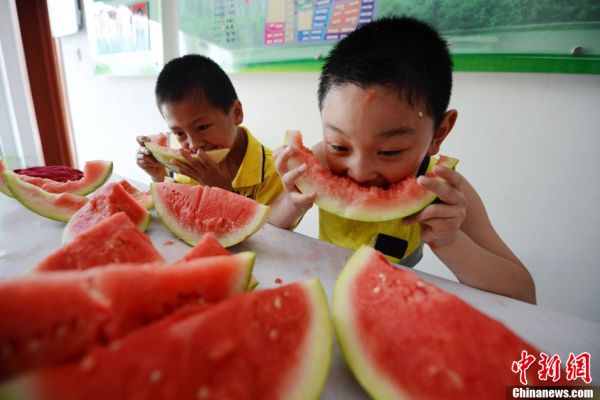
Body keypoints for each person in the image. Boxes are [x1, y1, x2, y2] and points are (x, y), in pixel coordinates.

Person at [270, 17, 536, 304]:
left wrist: (450, 241)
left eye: (389, 151)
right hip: (327, 284)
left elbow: (522, 292)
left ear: (439, 133)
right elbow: (271, 231)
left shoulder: (443, 190)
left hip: (393, 294)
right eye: (340, 145)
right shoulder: (318, 159)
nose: (359, 173)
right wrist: (290, 204)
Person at [136, 54, 283, 206]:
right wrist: (158, 175)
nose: (193, 145)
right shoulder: (192, 162)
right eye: (179, 133)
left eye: (202, 127)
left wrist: (224, 192)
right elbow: (180, 207)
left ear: (236, 113)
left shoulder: (275, 173)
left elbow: (263, 228)